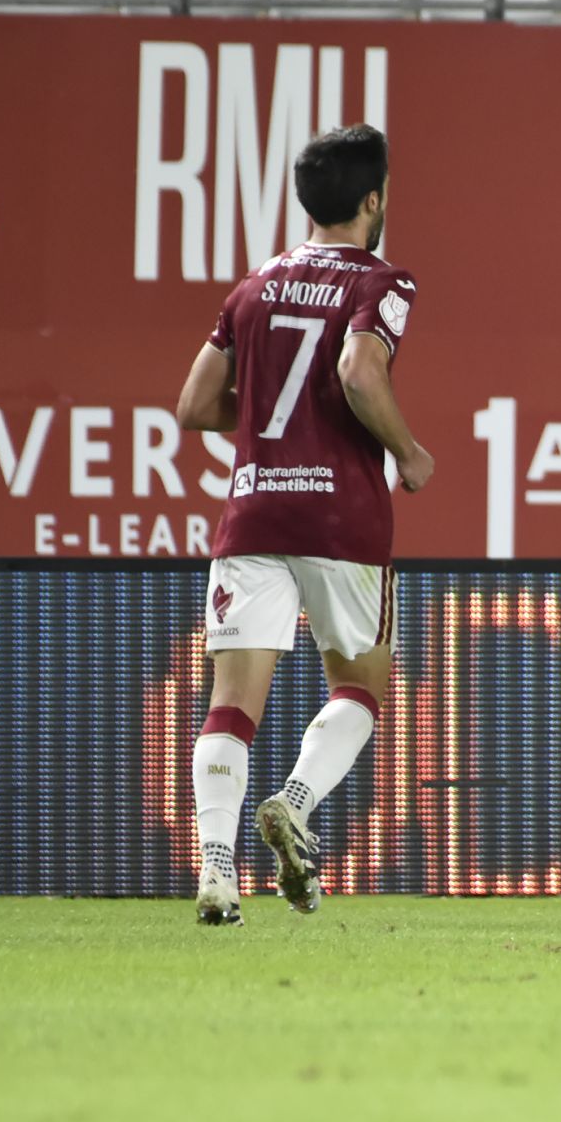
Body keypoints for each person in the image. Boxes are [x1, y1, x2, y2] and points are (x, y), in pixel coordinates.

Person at [174, 124, 432, 926]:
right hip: (341, 517)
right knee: (358, 688)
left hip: (254, 509)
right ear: (372, 200)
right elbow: (359, 370)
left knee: (230, 706)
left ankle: (217, 870)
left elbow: (191, 407)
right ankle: (294, 802)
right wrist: (408, 450)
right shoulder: (381, 282)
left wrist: (265, 427)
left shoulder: (251, 289)